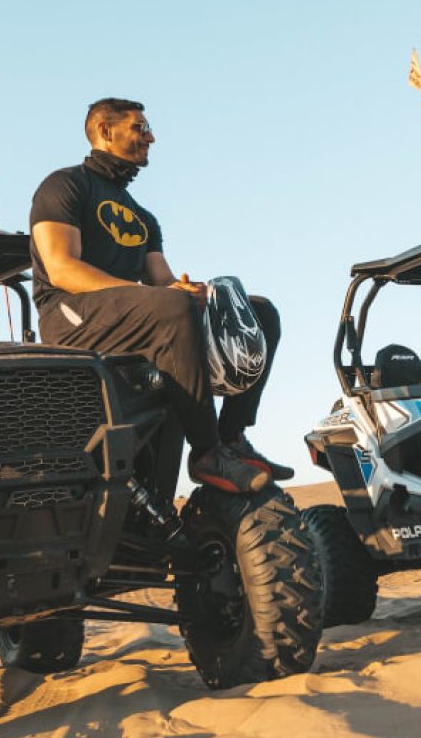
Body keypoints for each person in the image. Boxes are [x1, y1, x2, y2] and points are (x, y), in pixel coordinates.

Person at [29, 97, 292, 493]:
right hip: (69, 316)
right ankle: (207, 452)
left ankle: (233, 437)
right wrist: (165, 297)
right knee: (172, 306)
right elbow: (62, 268)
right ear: (105, 131)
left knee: (259, 312)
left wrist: (187, 291)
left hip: (134, 314)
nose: (151, 136)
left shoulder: (143, 217)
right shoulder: (64, 185)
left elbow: (161, 282)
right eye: (139, 128)